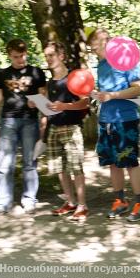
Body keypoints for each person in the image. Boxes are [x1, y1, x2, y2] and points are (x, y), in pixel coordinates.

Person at [87, 29, 140, 222]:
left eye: (95, 46)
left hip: (125, 119)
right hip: (106, 120)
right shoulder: (101, 65)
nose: (94, 50)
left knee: (129, 161)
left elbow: (139, 89)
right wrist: (98, 94)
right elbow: (107, 93)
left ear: (106, 42)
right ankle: (120, 200)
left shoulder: (126, 60)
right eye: (92, 48)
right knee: (113, 162)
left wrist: (112, 95)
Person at [0, 39, 47, 217]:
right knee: (4, 164)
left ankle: (29, 201)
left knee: (30, 162)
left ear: (26, 52)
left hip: (30, 121)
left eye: (22, 56)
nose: (20, 60)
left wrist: (37, 104)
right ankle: (1, 203)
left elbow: (44, 97)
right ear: (9, 55)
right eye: (16, 57)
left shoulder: (36, 72)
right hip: (8, 121)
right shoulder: (2, 74)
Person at [42, 42, 91, 221]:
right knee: (60, 169)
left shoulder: (73, 77)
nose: (48, 59)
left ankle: (82, 205)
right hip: (54, 128)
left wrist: (64, 106)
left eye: (51, 55)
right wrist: (39, 104)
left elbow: (85, 102)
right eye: (46, 56)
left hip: (71, 128)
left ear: (61, 56)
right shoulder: (50, 82)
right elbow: (49, 107)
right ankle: (70, 202)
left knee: (75, 168)